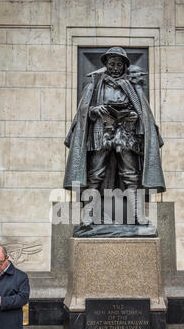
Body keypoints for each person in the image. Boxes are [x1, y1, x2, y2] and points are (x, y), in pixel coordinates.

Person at [63, 46, 166, 226]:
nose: (115, 67)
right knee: (95, 174)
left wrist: (134, 116)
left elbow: (143, 113)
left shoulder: (132, 86)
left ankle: (137, 214)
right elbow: (84, 110)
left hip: (125, 135)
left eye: (119, 64)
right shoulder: (95, 84)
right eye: (112, 64)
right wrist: (96, 110)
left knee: (130, 175)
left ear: (124, 66)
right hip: (101, 133)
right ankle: (89, 213)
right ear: (107, 65)